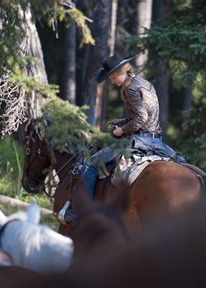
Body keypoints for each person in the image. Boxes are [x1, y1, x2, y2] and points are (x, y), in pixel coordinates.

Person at [58, 53, 184, 225]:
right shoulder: (144, 83)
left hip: (140, 141)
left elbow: (141, 118)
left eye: (112, 77)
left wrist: (121, 131)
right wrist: (123, 121)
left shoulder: (130, 88)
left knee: (91, 163)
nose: (111, 81)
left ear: (120, 72)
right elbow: (147, 116)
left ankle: (80, 211)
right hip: (157, 140)